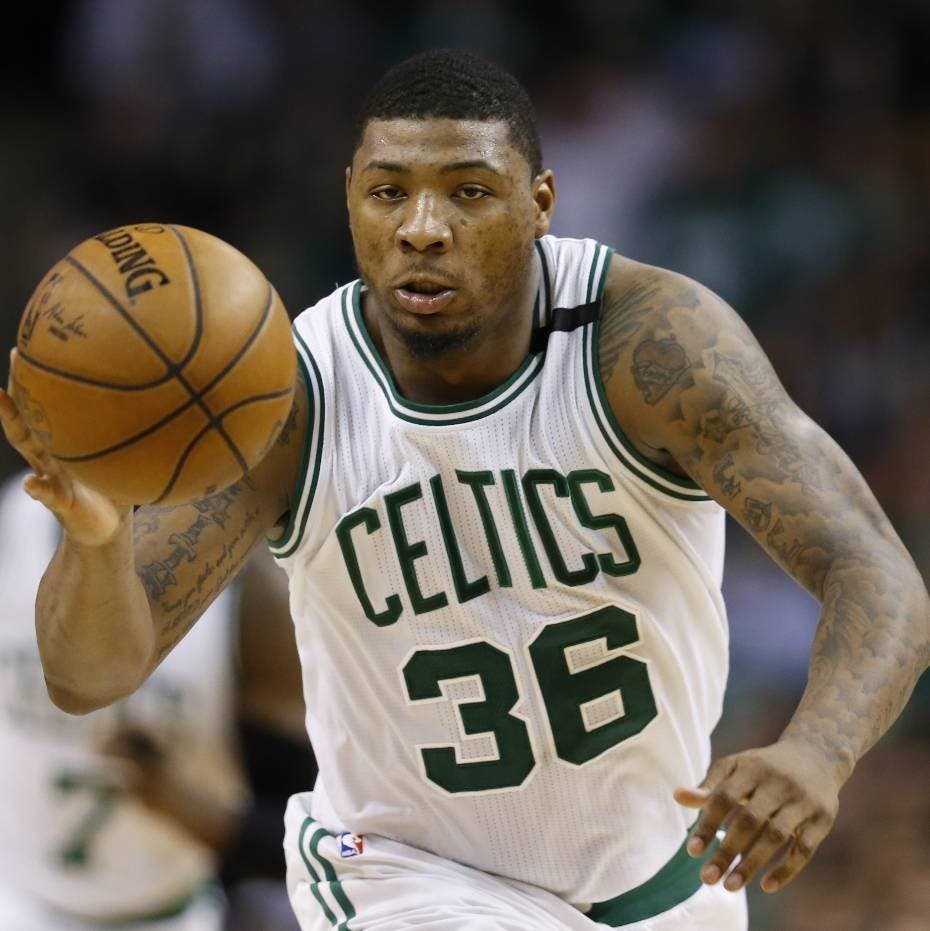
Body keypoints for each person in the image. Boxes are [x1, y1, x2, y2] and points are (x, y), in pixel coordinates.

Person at [1, 48, 927, 931]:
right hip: (404, 874)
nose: (422, 227)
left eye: (468, 192)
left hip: (661, 882)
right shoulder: (288, 400)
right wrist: (96, 538)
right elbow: (91, 676)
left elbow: (878, 574)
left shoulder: (649, 349)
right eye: (388, 192)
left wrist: (816, 750)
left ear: (540, 203)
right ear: (353, 204)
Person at [0, 471, 311, 931]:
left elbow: (328, 839)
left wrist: (190, 808)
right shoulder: (14, 519)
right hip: (15, 898)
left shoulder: (253, 597)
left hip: (166, 913)